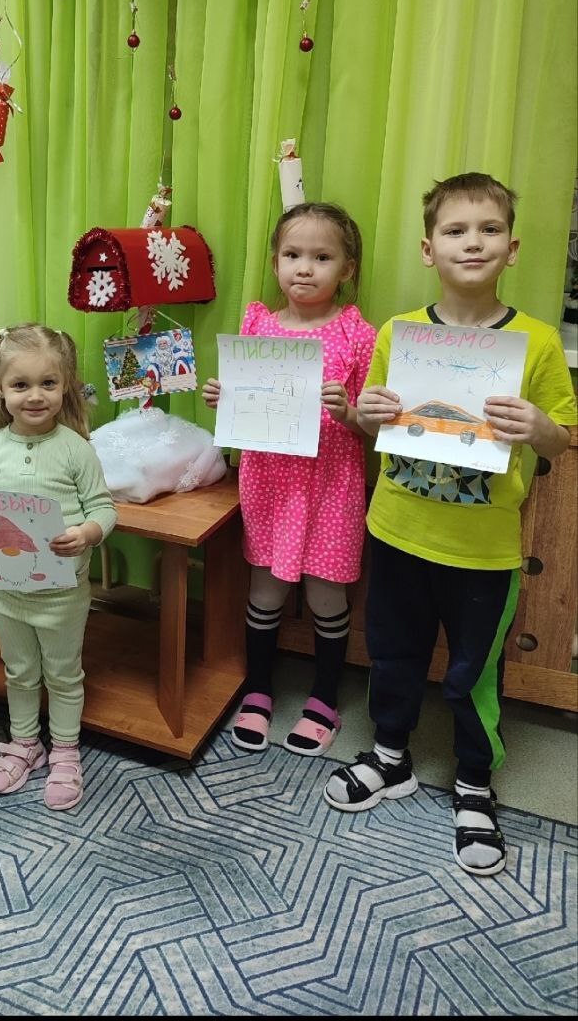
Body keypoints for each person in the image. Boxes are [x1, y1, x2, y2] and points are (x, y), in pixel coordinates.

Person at [323, 173, 576, 878]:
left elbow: (561, 440)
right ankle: (389, 756)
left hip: (483, 550)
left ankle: (473, 783)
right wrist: (363, 413)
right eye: (456, 231)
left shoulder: (536, 341)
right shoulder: (398, 333)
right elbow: (368, 425)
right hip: (396, 530)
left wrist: (538, 426)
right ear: (428, 248)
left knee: (473, 674)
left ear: (512, 248)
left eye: (489, 229)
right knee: (392, 654)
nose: (473, 242)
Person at [203, 202, 376, 757]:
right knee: (265, 589)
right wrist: (224, 397)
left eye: (322, 257)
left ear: (346, 269)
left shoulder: (358, 334)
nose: (304, 267)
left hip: (331, 484)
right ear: (276, 262)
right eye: (292, 255)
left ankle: (324, 697)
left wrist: (348, 411)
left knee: (326, 593)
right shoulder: (258, 324)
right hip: (270, 481)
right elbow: (246, 402)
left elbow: (376, 425)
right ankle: (258, 688)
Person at [0, 324, 116, 811]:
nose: (35, 396)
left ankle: (64, 749)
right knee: (19, 672)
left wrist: (88, 532)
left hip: (63, 594)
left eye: (48, 383)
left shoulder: (76, 449)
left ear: (66, 386)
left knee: (63, 674)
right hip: (8, 593)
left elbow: (104, 508)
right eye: (21, 385)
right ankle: (24, 742)